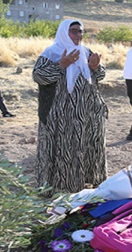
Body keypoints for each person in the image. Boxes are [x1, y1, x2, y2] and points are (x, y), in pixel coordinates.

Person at [33, 19, 108, 196]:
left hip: (88, 112)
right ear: (64, 32)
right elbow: (38, 76)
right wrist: (62, 64)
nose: (78, 35)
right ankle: (61, 187)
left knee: (87, 145)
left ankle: (86, 182)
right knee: (65, 148)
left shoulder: (86, 52)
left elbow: (100, 75)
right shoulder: (51, 53)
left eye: (81, 31)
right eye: (74, 31)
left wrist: (95, 67)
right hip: (60, 114)